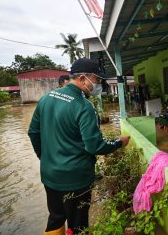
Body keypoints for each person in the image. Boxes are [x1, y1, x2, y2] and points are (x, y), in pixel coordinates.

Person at [28, 58, 131, 235]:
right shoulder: (84, 107)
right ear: (83, 78)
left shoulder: (45, 99)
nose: (99, 85)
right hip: (75, 179)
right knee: (79, 224)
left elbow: (33, 133)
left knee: (56, 217)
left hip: (50, 174)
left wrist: (45, 158)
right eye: (97, 80)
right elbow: (95, 146)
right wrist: (119, 143)